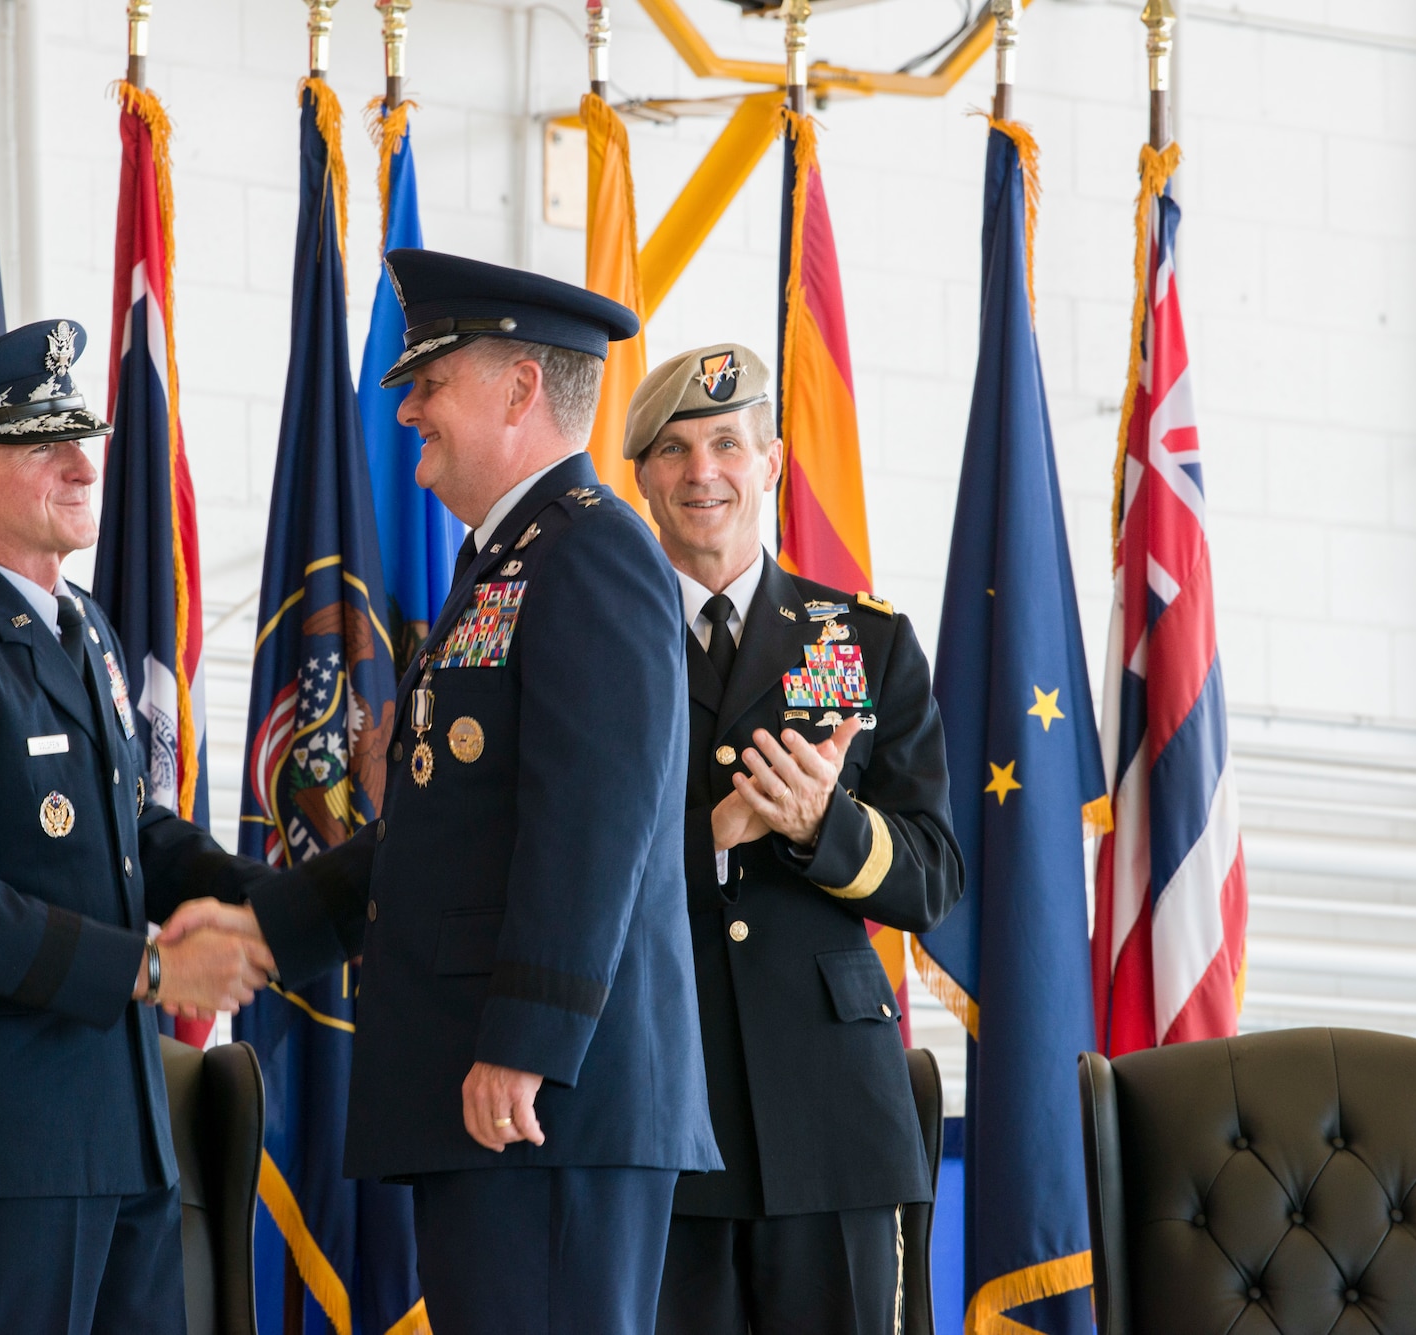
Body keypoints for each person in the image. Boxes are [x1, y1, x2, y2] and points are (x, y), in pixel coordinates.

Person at [243, 250, 720, 1334]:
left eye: (429, 381)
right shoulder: (504, 563)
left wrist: (526, 1045)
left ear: (516, 392)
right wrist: (259, 926)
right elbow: (438, 832)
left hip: (546, 1099)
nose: (406, 407)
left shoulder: (590, 551)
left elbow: (591, 820)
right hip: (501, 1094)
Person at [0, 318, 278, 1333]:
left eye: (81, 441)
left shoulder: (84, 631)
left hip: (112, 1129)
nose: (84, 466)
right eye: (44, 448)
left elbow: (126, 832)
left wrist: (269, 903)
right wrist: (161, 973)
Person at [625, 344, 964, 1335]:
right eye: (675, 449)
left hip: (831, 1121)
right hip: (659, 1103)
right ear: (639, 474)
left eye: (728, 443)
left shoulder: (864, 642)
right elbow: (550, 866)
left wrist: (827, 827)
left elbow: (931, 876)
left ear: (770, 461)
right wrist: (714, 838)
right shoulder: (593, 641)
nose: (702, 473)